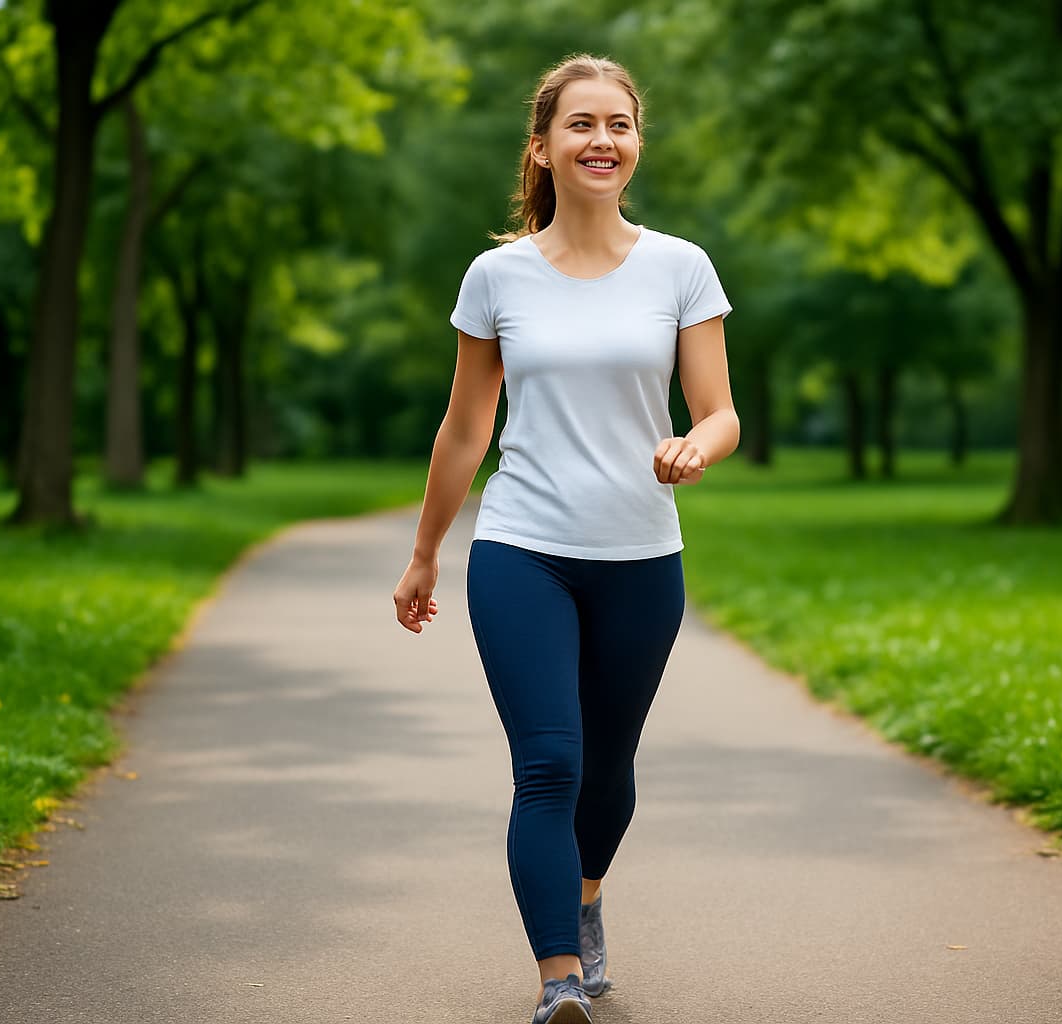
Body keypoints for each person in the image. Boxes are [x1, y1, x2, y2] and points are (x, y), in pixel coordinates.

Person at [391, 51, 740, 1024]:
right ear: (542, 147)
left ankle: (583, 899)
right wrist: (425, 552)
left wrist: (694, 447)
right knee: (549, 762)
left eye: (618, 124)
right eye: (580, 123)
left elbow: (720, 411)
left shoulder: (681, 267)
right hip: (522, 548)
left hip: (641, 555)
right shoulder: (496, 276)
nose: (602, 140)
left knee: (608, 769)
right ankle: (559, 980)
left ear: (636, 144)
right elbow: (466, 429)